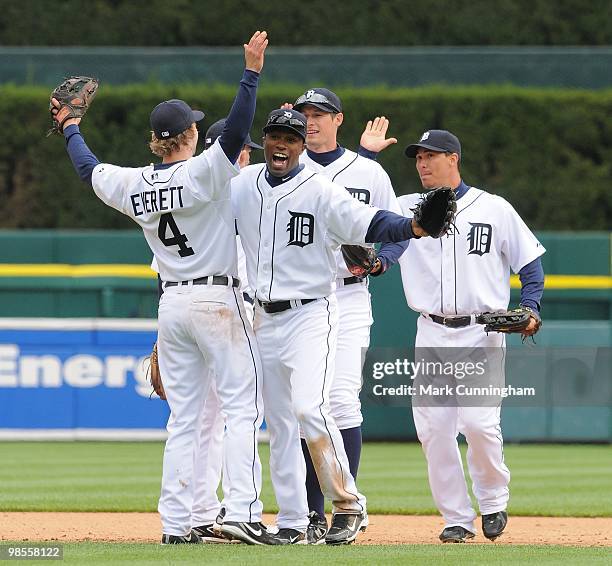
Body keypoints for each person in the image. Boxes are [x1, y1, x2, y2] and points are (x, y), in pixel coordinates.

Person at [53, 31, 286, 546]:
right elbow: (238, 131)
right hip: (218, 301)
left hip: (172, 304)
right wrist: (251, 73)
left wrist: (71, 127)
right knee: (242, 407)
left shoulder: (133, 184)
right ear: (187, 137)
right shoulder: (205, 173)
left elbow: (89, 170)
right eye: (196, 129)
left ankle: (178, 524)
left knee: (185, 421)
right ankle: (242, 512)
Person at [231, 107, 432, 545]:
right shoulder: (243, 185)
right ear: (264, 140)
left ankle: (348, 504)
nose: (281, 144)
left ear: (303, 146)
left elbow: (372, 222)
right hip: (263, 315)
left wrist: (413, 226)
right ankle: (292, 521)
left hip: (311, 312)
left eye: (290, 137)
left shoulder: (321, 190)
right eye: (274, 136)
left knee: (311, 407)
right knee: (280, 424)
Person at [397, 129, 545, 543]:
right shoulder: (406, 208)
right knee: (433, 430)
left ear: (454, 159)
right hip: (430, 329)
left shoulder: (494, 208)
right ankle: (456, 518)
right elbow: (385, 239)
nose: (422, 164)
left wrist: (531, 307)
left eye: (431, 156)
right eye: (418, 158)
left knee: (479, 424)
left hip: (482, 331)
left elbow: (530, 265)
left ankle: (493, 499)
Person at [291, 87, 407, 543]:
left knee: (339, 400)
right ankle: (311, 513)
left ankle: (346, 507)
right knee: (302, 408)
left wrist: (381, 261)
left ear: (338, 119)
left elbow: (397, 228)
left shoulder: (368, 171)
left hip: (350, 294)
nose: (312, 120)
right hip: (298, 298)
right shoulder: (284, 169)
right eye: (305, 114)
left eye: (320, 113)